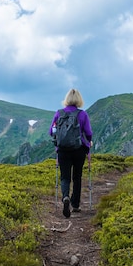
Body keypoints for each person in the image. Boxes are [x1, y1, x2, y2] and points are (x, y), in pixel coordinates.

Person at [49, 88, 93, 218]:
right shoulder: (82, 114)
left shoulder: (59, 113)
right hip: (79, 149)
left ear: (67, 99)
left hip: (63, 150)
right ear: (79, 99)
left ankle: (65, 197)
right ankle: (75, 205)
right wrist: (89, 142)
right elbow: (89, 133)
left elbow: (52, 131)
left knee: (65, 177)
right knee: (77, 176)